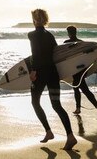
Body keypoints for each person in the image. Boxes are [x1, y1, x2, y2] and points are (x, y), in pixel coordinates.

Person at [27, 9, 76, 150]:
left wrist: (33, 71)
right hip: (53, 73)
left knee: (35, 102)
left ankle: (48, 131)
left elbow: (35, 54)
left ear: (34, 20)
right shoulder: (50, 35)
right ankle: (70, 136)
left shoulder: (31, 35)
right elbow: (56, 54)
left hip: (40, 74)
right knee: (57, 105)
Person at [64, 26, 97, 119]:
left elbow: (64, 58)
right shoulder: (82, 43)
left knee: (83, 89)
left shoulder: (66, 43)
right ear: (75, 32)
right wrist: (93, 68)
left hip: (75, 69)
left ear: (69, 33)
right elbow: (87, 56)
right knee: (78, 88)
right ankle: (80, 108)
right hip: (81, 69)